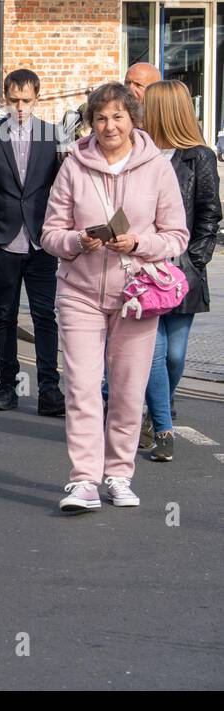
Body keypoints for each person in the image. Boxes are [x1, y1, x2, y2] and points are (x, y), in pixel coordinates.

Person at [41, 82, 188, 513]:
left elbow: (175, 235)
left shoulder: (157, 168)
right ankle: (84, 480)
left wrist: (138, 243)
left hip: (138, 295)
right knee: (83, 388)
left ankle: (119, 474)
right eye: (101, 118)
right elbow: (50, 233)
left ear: (132, 120)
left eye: (117, 117)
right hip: (80, 292)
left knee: (127, 389)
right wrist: (76, 241)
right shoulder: (73, 166)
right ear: (91, 123)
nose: (109, 126)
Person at [0, 68, 64, 416]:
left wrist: (60, 232)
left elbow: (63, 191)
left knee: (44, 316)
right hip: (3, 243)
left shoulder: (52, 136)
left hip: (41, 243)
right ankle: (7, 386)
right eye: (14, 100)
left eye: (27, 100)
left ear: (37, 98)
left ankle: (50, 390)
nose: (20, 106)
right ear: (5, 98)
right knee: (6, 316)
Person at [138, 79, 221, 462]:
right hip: (142, 272)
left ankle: (158, 408)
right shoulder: (141, 153)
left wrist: (194, 260)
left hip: (183, 272)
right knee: (153, 353)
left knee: (174, 354)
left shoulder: (198, 156)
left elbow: (209, 213)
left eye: (146, 104)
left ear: (163, 109)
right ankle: (161, 421)